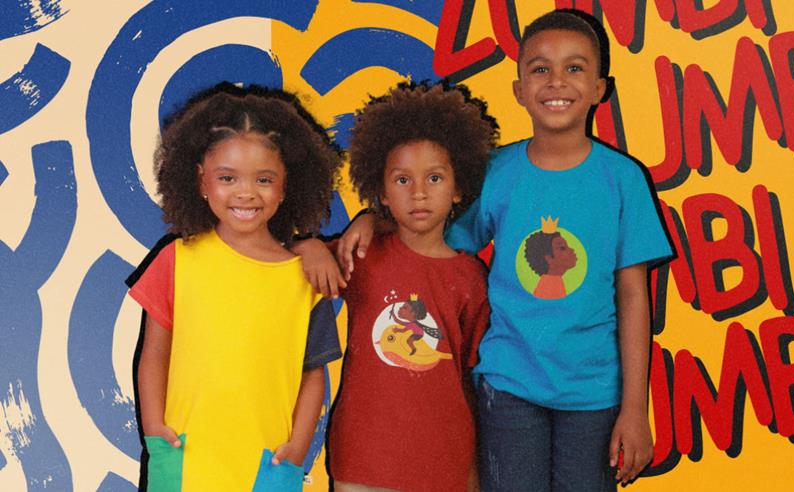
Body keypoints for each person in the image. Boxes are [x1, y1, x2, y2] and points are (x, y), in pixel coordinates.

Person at [335, 10, 674, 491]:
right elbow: (431, 228)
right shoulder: (497, 172)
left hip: (594, 393)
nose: (557, 81)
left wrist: (636, 409)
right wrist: (372, 218)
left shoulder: (623, 180)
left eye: (574, 68)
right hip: (508, 387)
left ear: (600, 88)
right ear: (518, 89)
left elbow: (634, 295)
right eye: (540, 68)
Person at [127, 83, 342, 491]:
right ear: (201, 181)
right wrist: (154, 428)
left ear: (285, 185)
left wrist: (298, 446)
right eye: (228, 177)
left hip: (269, 464)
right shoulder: (177, 260)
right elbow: (154, 353)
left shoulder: (305, 278)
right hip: (184, 456)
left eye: (264, 179)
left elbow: (313, 372)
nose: (246, 192)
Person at [298, 81, 497, 491]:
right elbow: (281, 263)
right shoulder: (362, 253)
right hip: (362, 461)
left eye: (435, 178)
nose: (419, 193)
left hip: (444, 466)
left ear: (459, 188)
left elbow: (470, 379)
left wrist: (471, 469)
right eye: (402, 180)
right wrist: (309, 245)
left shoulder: (471, 277)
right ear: (382, 192)